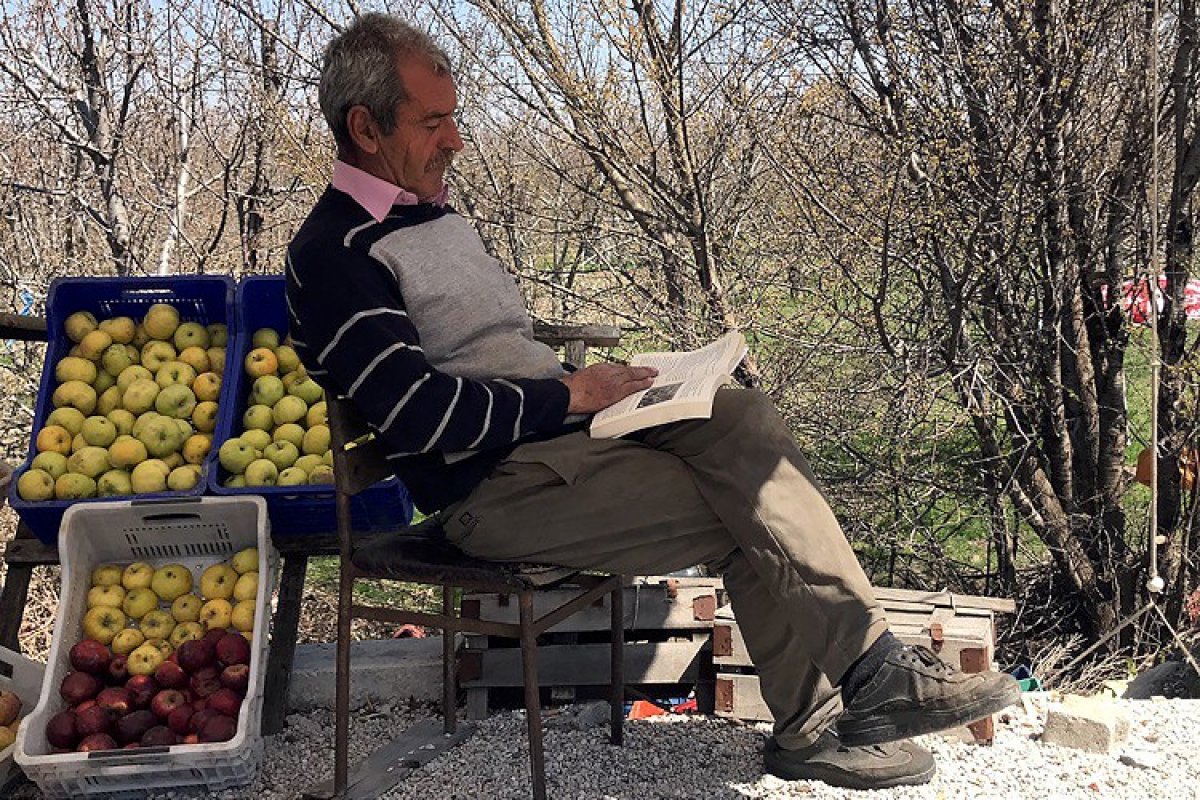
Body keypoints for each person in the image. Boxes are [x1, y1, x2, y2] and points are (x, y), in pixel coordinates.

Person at [286, 13, 1020, 791]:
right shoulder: (336, 254)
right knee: (755, 506)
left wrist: (615, 389)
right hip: (497, 490)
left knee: (743, 419)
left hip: (565, 442)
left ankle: (867, 679)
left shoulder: (426, 215)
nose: (456, 141)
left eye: (454, 118)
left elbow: (489, 351)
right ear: (364, 127)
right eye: (435, 123)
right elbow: (421, 415)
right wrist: (568, 392)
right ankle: (826, 719)